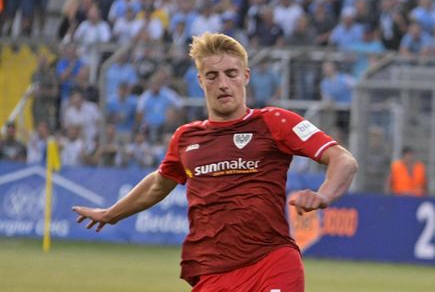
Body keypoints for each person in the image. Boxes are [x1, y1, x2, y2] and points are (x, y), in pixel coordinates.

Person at [72, 32, 358, 291]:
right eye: (212, 76)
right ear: (200, 81)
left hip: (272, 263)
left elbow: (343, 159)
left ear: (246, 76)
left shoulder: (274, 122)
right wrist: (111, 214)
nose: (223, 84)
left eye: (231, 74)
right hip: (212, 274)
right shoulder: (186, 138)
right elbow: (158, 184)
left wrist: (324, 195)